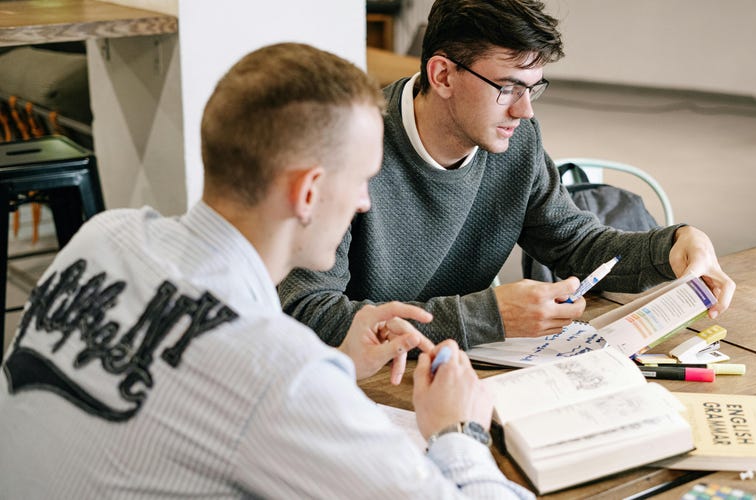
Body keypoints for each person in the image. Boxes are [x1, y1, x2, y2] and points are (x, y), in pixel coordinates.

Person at [0, 43, 531, 498]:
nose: (365, 202)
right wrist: (458, 432)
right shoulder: (278, 375)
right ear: (308, 192)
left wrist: (338, 363)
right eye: (362, 179)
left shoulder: (103, 236)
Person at [279, 0, 736, 349]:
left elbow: (575, 245)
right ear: (442, 75)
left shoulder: (516, 140)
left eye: (534, 88)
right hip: (361, 384)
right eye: (508, 88)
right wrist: (488, 317)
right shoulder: (349, 146)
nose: (525, 111)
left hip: (457, 372)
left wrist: (674, 246)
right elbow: (308, 313)